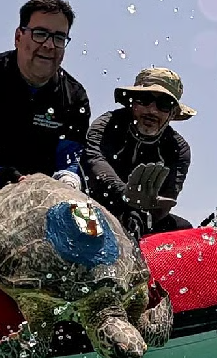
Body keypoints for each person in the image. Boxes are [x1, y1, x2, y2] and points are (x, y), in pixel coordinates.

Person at [0, 0, 90, 196]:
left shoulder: (75, 96)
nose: (49, 45)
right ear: (18, 37)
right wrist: (3, 179)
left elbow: (69, 158)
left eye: (59, 38)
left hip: (43, 198)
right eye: (40, 34)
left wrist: (68, 179)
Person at [81, 67, 196, 238]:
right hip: (95, 205)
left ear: (172, 114)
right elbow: (94, 162)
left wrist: (142, 218)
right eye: (145, 99)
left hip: (144, 216)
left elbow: (168, 198)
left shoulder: (178, 149)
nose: (152, 110)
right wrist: (125, 194)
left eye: (164, 104)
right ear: (132, 102)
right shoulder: (106, 125)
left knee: (184, 230)